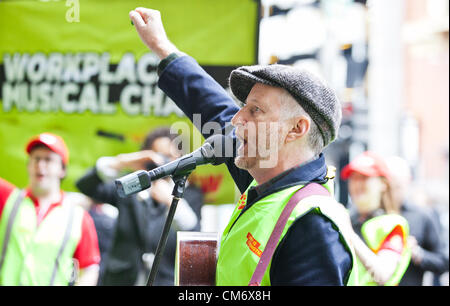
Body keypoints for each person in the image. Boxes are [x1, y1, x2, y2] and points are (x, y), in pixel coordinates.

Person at [128, 7, 358, 285]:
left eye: (255, 110)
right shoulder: (268, 180)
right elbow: (214, 107)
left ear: (296, 129)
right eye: (243, 108)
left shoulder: (313, 225)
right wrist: (160, 46)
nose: (237, 119)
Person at [76, 127, 203, 286]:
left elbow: (194, 233)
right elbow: (86, 185)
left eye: (171, 157)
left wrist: (171, 200)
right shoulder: (131, 186)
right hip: (121, 280)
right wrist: (123, 161)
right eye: (160, 156)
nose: (165, 163)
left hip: (164, 280)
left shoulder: (191, 193)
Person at [0, 133, 101, 286]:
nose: (40, 165)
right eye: (36, 159)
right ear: (28, 165)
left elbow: (89, 269)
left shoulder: (78, 217)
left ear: (62, 170)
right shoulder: (8, 198)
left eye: (48, 160)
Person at [341, 151, 412, 286]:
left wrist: (348, 232)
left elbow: (382, 273)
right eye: (353, 178)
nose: (356, 184)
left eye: (364, 177)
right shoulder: (347, 216)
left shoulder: (393, 224)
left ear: (383, 184)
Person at [385, 156, 449, 286]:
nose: (392, 192)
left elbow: (443, 261)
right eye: (387, 186)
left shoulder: (423, 216)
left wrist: (417, 253)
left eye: (397, 186)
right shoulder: (373, 214)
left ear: (407, 182)